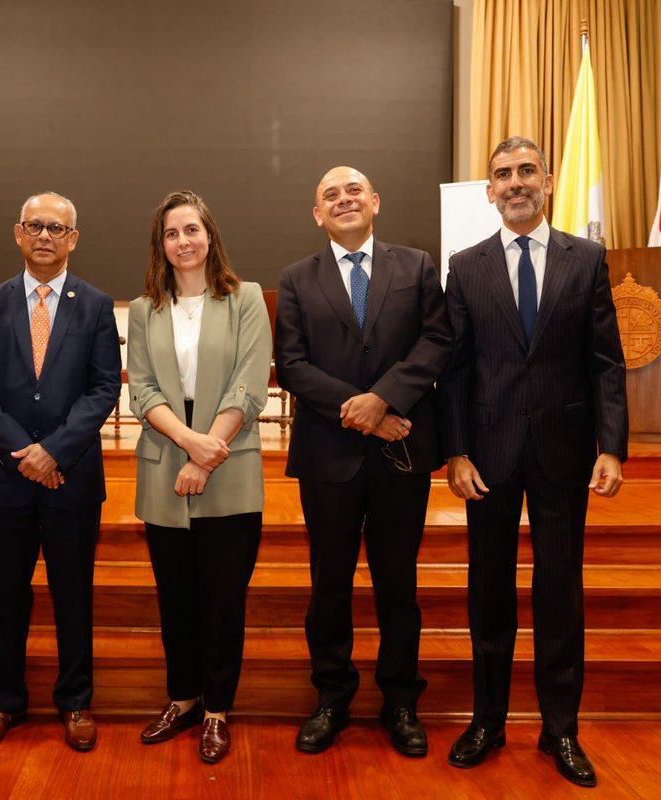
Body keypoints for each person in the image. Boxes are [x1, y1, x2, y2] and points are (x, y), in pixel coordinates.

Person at [438, 136, 628, 787]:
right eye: (501, 174)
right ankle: (488, 719)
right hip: (486, 456)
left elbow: (605, 361)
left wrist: (611, 446)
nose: (514, 182)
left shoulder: (587, 259)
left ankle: (560, 729)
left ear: (546, 180)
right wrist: (455, 450)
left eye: (525, 171)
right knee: (488, 592)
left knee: (558, 592)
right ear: (488, 189)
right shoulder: (464, 267)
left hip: (563, 453)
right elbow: (455, 371)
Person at [274, 166, 452, 756]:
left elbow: (436, 340)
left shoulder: (417, 265)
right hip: (328, 455)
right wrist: (363, 412)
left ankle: (401, 700)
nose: (343, 200)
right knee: (329, 585)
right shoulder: (297, 279)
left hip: (401, 453)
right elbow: (293, 365)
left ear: (375, 200)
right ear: (316, 213)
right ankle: (332, 697)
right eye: (330, 195)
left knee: (397, 584)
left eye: (354, 191)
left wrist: (385, 398)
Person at [0, 191, 121, 753]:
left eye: (57, 227)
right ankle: (3, 702)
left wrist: (53, 451)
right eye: (35, 226)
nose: (45, 236)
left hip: (71, 477)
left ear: (74, 238)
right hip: (6, 480)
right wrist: (22, 453)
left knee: (73, 593)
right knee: (5, 594)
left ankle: (75, 702)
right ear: (18, 233)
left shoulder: (96, 305)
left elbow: (103, 389)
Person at [126, 191, 272, 764]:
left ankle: (217, 709)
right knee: (176, 598)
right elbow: (142, 390)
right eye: (171, 233)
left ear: (210, 235)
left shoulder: (247, 299)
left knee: (222, 599)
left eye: (192, 229)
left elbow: (250, 384)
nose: (182, 241)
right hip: (166, 465)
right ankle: (182, 698)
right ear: (159, 244)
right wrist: (188, 445)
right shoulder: (145, 309)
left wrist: (208, 450)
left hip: (230, 462)